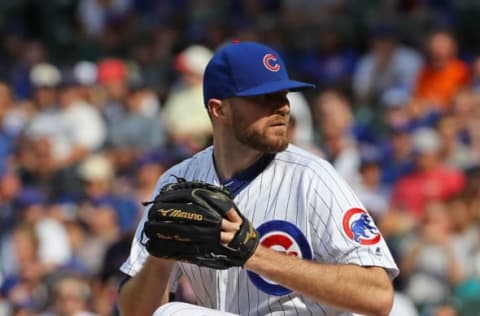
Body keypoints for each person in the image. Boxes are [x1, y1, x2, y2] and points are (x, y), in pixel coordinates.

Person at [118, 41, 398, 316]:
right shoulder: (177, 182)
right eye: (264, 98)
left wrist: (257, 255)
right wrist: (159, 259)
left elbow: (378, 296)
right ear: (219, 109)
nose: (283, 108)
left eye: (284, 95)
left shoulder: (312, 176)